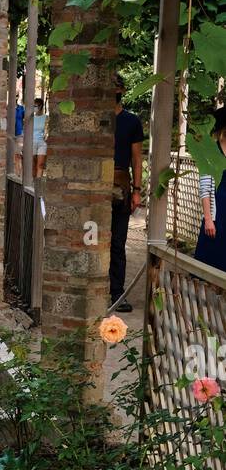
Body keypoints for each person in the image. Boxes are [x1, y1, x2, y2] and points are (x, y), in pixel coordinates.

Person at [110, 75, 144, 309]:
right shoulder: (96, 119)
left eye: (116, 87)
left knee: (118, 242)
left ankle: (117, 292)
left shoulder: (131, 121)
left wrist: (137, 191)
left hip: (120, 183)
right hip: (94, 184)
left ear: (121, 90)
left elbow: (137, 158)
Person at [194, 107, 226, 274]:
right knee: (208, 263)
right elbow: (205, 187)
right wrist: (208, 219)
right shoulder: (210, 151)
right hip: (216, 212)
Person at [33, 97, 47, 176]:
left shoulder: (46, 118)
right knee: (33, 165)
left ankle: (38, 185)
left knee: (40, 165)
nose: (34, 108)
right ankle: (32, 184)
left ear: (40, 106)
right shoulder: (31, 118)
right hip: (32, 142)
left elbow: (47, 131)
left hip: (42, 143)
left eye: (35, 106)